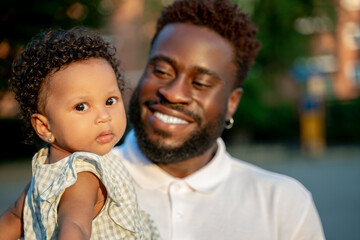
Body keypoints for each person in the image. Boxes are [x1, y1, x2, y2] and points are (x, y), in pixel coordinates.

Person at [111, 0, 326, 239]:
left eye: (200, 83)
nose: (173, 93)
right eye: (161, 71)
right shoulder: (80, 178)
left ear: (232, 102)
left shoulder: (283, 204)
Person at [0, 27, 160, 239]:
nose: (104, 116)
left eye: (110, 101)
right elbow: (75, 228)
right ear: (44, 127)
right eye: (81, 107)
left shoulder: (43, 174)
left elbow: (15, 216)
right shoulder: (83, 175)